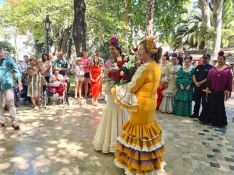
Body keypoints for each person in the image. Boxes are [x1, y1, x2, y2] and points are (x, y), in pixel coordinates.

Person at [112, 37, 166, 174]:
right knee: (147, 133)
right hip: (151, 104)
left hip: (141, 105)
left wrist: (116, 89)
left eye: (141, 50)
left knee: (138, 134)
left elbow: (132, 87)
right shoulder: (156, 66)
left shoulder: (145, 67)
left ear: (149, 52)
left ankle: (138, 166)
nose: (138, 52)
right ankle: (149, 163)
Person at [93, 37, 128, 153]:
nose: (111, 51)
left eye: (113, 49)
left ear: (118, 49)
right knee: (111, 109)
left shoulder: (125, 60)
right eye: (110, 49)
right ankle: (109, 142)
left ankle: (122, 141)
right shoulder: (107, 62)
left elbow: (127, 75)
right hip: (111, 89)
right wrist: (111, 76)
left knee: (122, 111)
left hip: (122, 89)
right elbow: (108, 76)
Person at [199, 51, 233, 127]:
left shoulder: (228, 70)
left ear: (224, 60)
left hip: (221, 91)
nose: (219, 60)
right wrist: (207, 87)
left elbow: (229, 81)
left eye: (221, 59)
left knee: (219, 106)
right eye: (218, 59)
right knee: (209, 104)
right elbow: (208, 79)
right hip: (212, 90)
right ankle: (207, 120)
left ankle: (217, 122)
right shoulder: (212, 69)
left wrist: (227, 90)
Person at [0, 47, 22, 130]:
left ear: (1, 51)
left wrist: (19, 82)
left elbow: (16, 70)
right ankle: (1, 121)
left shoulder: (8, 59)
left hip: (8, 85)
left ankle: (14, 121)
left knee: (11, 103)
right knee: (0, 104)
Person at [192, 54, 213, 118]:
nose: (204, 59)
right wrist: (195, 82)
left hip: (205, 87)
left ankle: (203, 115)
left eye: (206, 58)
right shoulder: (198, 66)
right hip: (197, 87)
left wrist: (200, 83)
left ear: (209, 59)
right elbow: (194, 75)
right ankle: (195, 114)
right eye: (203, 58)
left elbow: (208, 78)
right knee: (197, 101)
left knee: (204, 102)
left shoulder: (211, 68)